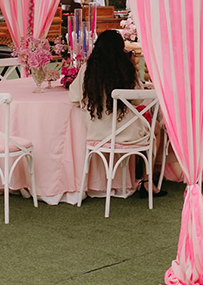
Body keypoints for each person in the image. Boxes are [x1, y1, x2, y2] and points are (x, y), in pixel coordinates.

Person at [68, 29, 164, 197]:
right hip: (127, 133)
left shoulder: (88, 69)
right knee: (156, 129)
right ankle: (147, 181)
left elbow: (74, 97)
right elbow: (137, 99)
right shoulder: (125, 69)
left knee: (151, 127)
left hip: (96, 133)